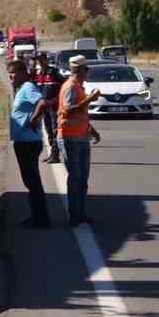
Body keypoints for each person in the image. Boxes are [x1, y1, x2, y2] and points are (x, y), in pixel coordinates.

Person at [8, 60, 51, 228]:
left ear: (23, 73)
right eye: (9, 73)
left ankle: (41, 219)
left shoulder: (27, 87)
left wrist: (32, 120)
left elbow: (42, 102)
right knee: (30, 182)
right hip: (23, 142)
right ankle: (38, 217)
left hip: (28, 143)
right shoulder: (22, 89)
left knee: (32, 182)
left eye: (13, 73)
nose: (11, 76)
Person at [58, 55, 98, 226]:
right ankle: (74, 215)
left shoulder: (78, 87)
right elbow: (67, 111)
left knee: (82, 179)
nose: (88, 72)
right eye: (86, 69)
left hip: (81, 137)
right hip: (69, 138)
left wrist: (92, 130)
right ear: (79, 70)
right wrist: (89, 99)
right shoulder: (70, 87)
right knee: (75, 178)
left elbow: (81, 113)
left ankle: (80, 213)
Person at [32, 53, 62, 164]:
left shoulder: (53, 72)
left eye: (41, 59)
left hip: (54, 107)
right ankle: (52, 154)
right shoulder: (38, 74)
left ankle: (55, 155)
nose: (39, 62)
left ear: (46, 60)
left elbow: (62, 89)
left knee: (55, 131)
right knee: (49, 130)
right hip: (44, 108)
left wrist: (54, 100)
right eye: (37, 60)